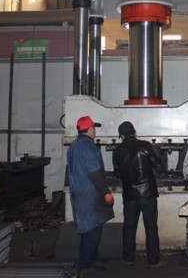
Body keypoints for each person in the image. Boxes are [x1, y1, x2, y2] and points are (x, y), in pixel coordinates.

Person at [112, 121, 166, 268]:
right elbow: (158, 166)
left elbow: (117, 174)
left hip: (129, 195)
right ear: (134, 132)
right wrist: (160, 171)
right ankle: (153, 261)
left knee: (129, 227)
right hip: (147, 194)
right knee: (151, 227)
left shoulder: (117, 151)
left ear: (121, 136)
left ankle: (128, 258)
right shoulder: (145, 145)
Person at [67, 115, 114, 272]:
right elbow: (95, 174)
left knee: (88, 229)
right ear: (91, 130)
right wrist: (106, 193)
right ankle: (87, 264)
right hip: (90, 196)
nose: (95, 131)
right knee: (92, 231)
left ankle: (92, 258)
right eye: (94, 128)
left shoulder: (74, 146)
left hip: (79, 193)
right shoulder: (89, 147)